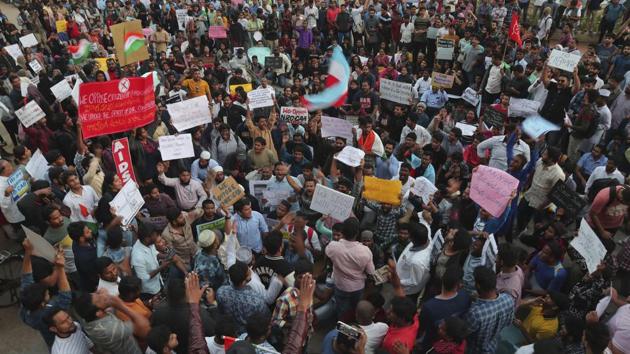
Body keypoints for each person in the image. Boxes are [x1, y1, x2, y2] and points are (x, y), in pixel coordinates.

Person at [19, 240, 72, 349]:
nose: (48, 293)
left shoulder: (26, 302)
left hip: (46, 332)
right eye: (47, 294)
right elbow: (65, 296)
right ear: (43, 303)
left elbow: (26, 275)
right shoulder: (47, 312)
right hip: (59, 339)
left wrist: (28, 251)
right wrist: (60, 268)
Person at [325, 218, 375, 320]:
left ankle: (342, 325)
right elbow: (371, 271)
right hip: (357, 287)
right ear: (358, 233)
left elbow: (328, 255)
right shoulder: (365, 251)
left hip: (340, 286)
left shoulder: (333, 246)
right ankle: (354, 322)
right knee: (356, 307)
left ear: (342, 232)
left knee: (342, 310)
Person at [73, 288, 150, 354]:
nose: (103, 296)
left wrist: (99, 297)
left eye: (97, 294)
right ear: (99, 313)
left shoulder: (88, 317)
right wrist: (121, 305)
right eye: (99, 299)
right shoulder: (110, 329)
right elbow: (143, 325)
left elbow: (100, 294)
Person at [465, 267, 515, 354]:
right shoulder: (508, 299)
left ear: (478, 286)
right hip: (493, 343)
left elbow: (464, 333)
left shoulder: (476, 313)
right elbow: (508, 322)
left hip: (475, 350)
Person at [216, 261, 270, 334]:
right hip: (248, 334)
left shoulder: (221, 292)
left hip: (229, 330)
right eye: (248, 272)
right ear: (245, 281)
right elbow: (266, 318)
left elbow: (221, 311)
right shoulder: (257, 301)